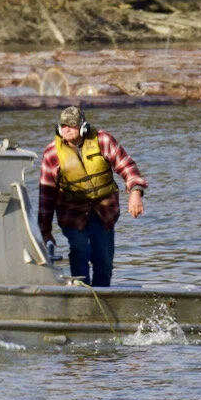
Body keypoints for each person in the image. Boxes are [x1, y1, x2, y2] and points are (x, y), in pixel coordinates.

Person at [37, 106, 146, 287]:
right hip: (72, 215)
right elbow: (46, 195)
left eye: (71, 125)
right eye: (63, 125)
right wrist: (45, 231)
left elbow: (127, 167)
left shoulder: (103, 140)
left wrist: (135, 192)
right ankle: (83, 295)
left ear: (83, 127)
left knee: (103, 260)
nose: (66, 129)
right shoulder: (51, 153)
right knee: (80, 250)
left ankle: (101, 295)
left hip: (104, 212)